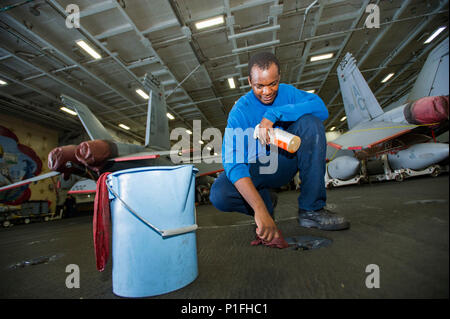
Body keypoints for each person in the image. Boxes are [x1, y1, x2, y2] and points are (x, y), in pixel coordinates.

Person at [209, 52, 349, 243]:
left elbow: (321, 109)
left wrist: (274, 114)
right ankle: (266, 203)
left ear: (279, 78)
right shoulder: (240, 112)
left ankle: (311, 209)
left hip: (286, 161)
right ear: (250, 81)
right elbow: (233, 162)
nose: (267, 92)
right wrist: (259, 210)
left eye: (272, 84)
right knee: (219, 194)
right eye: (259, 86)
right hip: (257, 169)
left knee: (311, 123)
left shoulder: (288, 93)